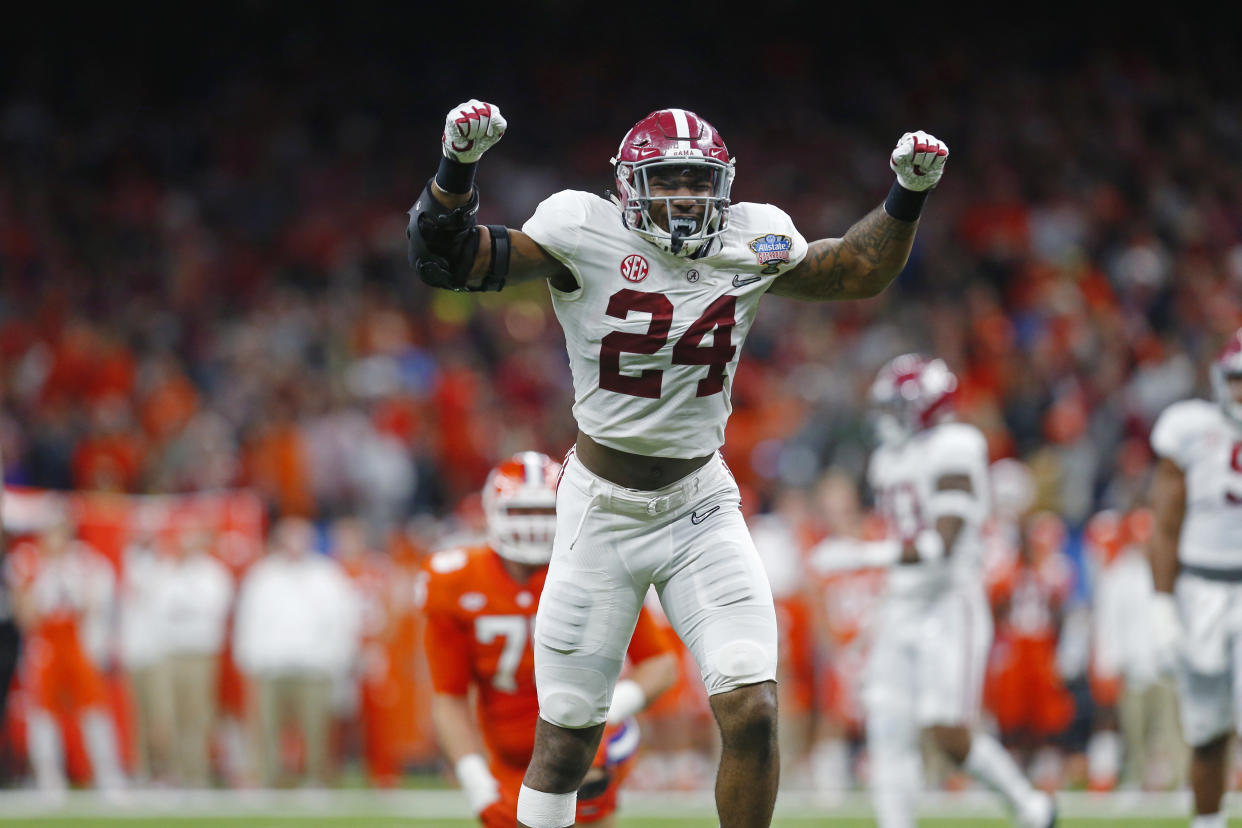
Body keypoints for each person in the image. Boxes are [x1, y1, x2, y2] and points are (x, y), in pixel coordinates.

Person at [408, 98, 948, 828]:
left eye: (699, 181)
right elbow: (447, 260)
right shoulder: (580, 229)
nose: (687, 197)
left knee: (753, 705)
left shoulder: (751, 237)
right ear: (630, 186)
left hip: (700, 503)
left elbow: (854, 269)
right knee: (567, 735)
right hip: (600, 509)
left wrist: (905, 195)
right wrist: (455, 168)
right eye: (670, 181)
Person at [828, 354, 1054, 828]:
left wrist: (864, 556)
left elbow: (942, 544)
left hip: (949, 601)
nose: (887, 418)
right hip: (902, 600)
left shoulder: (956, 446)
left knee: (946, 730)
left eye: (898, 407)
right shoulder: (887, 459)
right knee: (886, 723)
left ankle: (1030, 806)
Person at [421, 452, 679, 826]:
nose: (534, 524)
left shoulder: (597, 566)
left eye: (544, 511)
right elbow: (449, 697)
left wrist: (608, 712)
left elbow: (662, 664)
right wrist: (477, 782)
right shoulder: (455, 580)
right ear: (491, 513)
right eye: (521, 512)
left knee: (584, 783)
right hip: (509, 754)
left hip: (588, 737)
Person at [1148, 327, 1242, 828]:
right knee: (1205, 730)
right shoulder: (1190, 428)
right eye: (1237, 380)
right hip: (1200, 588)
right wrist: (1161, 605)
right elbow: (1164, 525)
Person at [233, 516, 360, 787]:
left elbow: (344, 620)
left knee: (316, 729)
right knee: (266, 728)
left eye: (301, 537)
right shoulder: (263, 575)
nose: (296, 545)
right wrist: (248, 660)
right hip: (272, 664)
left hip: (314, 666)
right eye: (290, 537)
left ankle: (316, 780)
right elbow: (248, 620)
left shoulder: (327, 575)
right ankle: (266, 779)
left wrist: (337, 660)